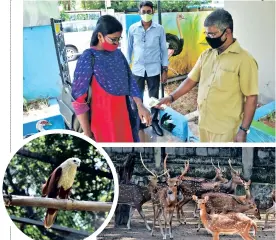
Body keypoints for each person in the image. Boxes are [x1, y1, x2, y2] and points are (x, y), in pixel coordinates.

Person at [156, 9, 258, 143]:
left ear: (227, 32)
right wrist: (171, 97)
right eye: (206, 33)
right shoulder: (206, 55)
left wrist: (243, 130)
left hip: (226, 130)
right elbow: (191, 80)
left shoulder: (245, 60)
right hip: (204, 123)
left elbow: (252, 97)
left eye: (212, 34)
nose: (208, 38)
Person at [72, 15, 151, 143]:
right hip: (102, 123)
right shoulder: (88, 57)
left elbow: (131, 82)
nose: (117, 43)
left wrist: (140, 105)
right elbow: (78, 99)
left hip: (125, 117)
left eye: (119, 39)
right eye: (113, 39)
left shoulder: (118, 54)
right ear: (99, 36)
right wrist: (87, 132)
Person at [127, 1, 169, 140]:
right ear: (139, 12)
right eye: (143, 11)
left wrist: (164, 69)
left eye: (148, 11)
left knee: (153, 98)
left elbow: (163, 50)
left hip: (154, 69)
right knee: (136, 97)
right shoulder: (133, 29)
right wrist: (127, 68)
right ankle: (139, 123)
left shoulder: (159, 29)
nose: (146, 14)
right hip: (137, 69)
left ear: (153, 12)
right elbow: (129, 49)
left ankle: (154, 121)